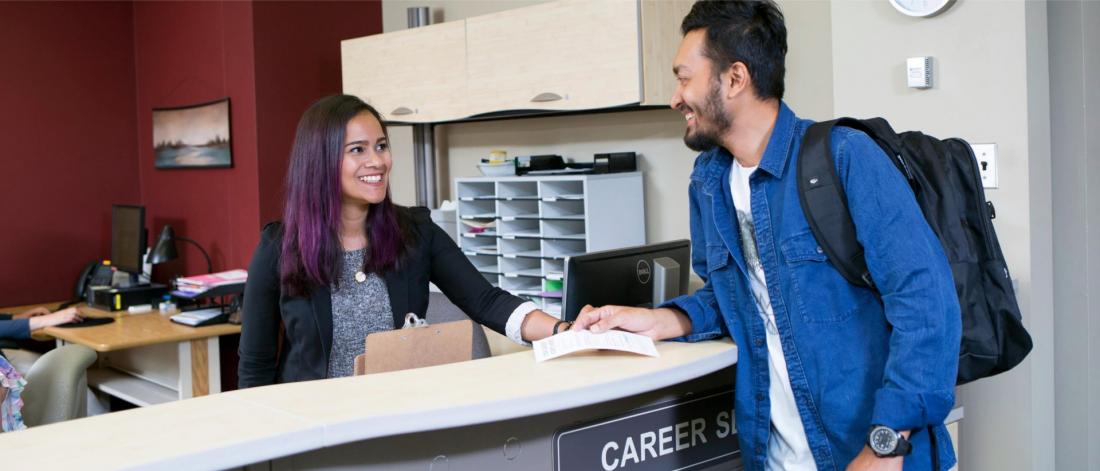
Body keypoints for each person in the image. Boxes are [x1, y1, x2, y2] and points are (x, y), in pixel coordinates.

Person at [573, 1, 961, 470]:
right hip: (775, 457)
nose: (676, 98)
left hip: (871, 454)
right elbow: (735, 296)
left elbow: (927, 309)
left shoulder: (846, 158)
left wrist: (885, 444)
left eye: (683, 77)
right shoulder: (709, 182)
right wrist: (659, 320)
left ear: (735, 78)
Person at [238, 95, 565, 388]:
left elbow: (488, 302)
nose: (378, 161)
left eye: (381, 146)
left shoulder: (415, 232)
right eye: (358, 149)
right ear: (320, 161)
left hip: (398, 417)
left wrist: (565, 332)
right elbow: (255, 367)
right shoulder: (280, 248)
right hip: (314, 430)